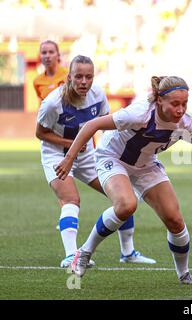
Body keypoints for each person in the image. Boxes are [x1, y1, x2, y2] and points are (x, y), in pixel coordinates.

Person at [55, 76, 192, 285]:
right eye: (175, 104)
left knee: (175, 220)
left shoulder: (185, 123)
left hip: (146, 166)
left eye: (184, 104)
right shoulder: (138, 113)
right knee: (127, 205)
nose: (180, 110)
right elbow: (91, 125)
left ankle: (184, 275)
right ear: (159, 100)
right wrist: (69, 159)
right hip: (112, 158)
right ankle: (83, 253)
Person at [36, 55, 155, 268]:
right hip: (56, 156)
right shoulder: (53, 103)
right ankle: (71, 256)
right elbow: (40, 133)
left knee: (123, 197)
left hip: (88, 155)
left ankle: (127, 253)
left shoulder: (98, 94)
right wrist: (70, 143)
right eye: (79, 76)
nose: (84, 82)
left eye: (88, 77)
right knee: (71, 200)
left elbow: (102, 124)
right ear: (69, 77)